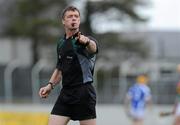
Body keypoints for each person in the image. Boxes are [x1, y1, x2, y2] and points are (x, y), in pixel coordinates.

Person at [39, 6, 98, 125]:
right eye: (70, 16)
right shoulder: (61, 43)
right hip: (66, 93)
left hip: (84, 93)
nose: (74, 19)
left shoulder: (86, 40)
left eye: (76, 16)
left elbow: (93, 48)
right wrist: (50, 85)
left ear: (79, 20)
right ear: (63, 21)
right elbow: (60, 68)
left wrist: (87, 42)